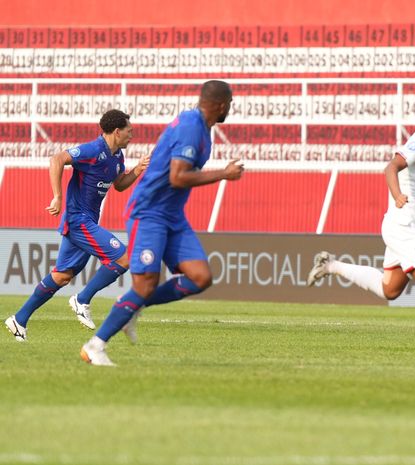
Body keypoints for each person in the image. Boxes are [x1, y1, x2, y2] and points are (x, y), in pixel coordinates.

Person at [307, 87, 415, 366]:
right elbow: (391, 167)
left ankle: (330, 266)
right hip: (404, 223)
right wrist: (397, 195)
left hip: (411, 226)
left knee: (390, 289)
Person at [80, 80, 243, 366]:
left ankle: (133, 309)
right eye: (230, 102)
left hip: (173, 216)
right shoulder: (192, 128)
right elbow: (177, 177)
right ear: (221, 104)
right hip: (149, 213)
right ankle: (95, 346)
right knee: (144, 284)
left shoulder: (201, 127)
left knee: (200, 277)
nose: (230, 107)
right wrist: (224, 174)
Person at [4, 110, 149, 342]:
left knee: (62, 276)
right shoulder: (92, 150)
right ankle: (82, 299)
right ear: (117, 131)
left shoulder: (117, 157)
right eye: (130, 131)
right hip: (78, 219)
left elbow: (120, 185)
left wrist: (137, 171)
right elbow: (57, 159)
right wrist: (57, 197)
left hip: (88, 220)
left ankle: (19, 320)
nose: (132, 135)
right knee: (123, 257)